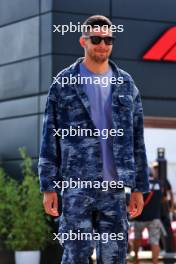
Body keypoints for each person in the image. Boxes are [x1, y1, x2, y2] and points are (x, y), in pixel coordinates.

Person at [38, 15, 149, 264]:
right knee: (75, 256)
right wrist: (48, 186)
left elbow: (137, 139)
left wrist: (139, 187)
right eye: (96, 39)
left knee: (114, 257)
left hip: (115, 190)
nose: (103, 44)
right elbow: (49, 136)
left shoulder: (126, 84)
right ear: (83, 41)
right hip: (77, 187)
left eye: (108, 39)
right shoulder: (64, 83)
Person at [132, 166, 162, 264]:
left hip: (139, 216)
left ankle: (136, 259)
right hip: (155, 217)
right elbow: (164, 198)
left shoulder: (139, 184)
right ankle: (155, 262)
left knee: (137, 238)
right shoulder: (159, 183)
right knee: (155, 241)